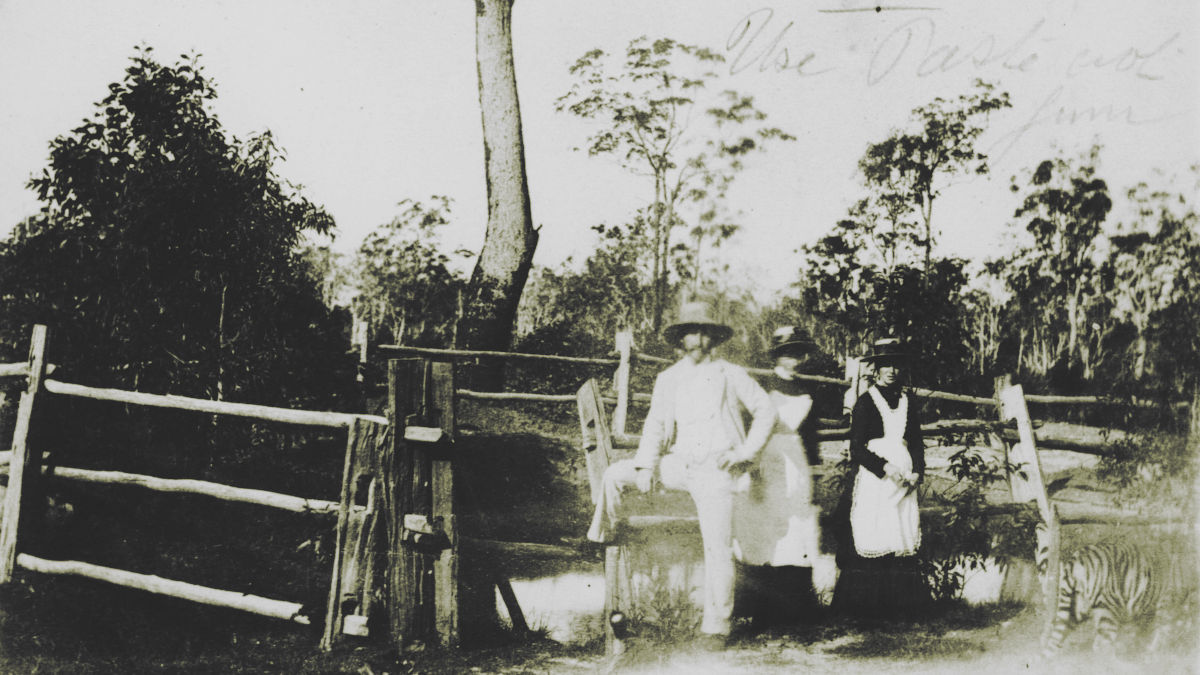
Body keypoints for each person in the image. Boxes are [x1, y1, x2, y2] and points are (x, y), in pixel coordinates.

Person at [587, 301, 776, 642]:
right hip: (679, 464)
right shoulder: (668, 378)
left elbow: (766, 410)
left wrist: (745, 453)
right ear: (680, 338)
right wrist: (645, 465)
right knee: (616, 474)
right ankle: (605, 532)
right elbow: (656, 424)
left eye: (704, 332)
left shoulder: (730, 373)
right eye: (691, 331)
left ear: (713, 338)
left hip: (717, 471)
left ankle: (716, 628)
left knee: (717, 549)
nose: (698, 338)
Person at [732, 326, 823, 626]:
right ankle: (758, 609)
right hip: (765, 459)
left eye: (797, 353)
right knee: (763, 530)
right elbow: (749, 428)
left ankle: (791, 611)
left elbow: (811, 439)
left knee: (796, 532)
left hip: (795, 464)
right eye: (787, 353)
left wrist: (813, 474)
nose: (793, 359)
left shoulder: (808, 391)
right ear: (776, 355)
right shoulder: (763, 387)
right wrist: (753, 468)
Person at [831, 337, 928, 618]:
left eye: (896, 364)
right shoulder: (866, 402)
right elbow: (857, 448)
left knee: (899, 536)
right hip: (877, 480)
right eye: (885, 364)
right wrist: (886, 468)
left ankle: (901, 609)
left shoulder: (907, 402)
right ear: (874, 368)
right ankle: (866, 610)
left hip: (904, 484)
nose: (891, 370)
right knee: (874, 534)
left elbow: (917, 442)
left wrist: (917, 472)